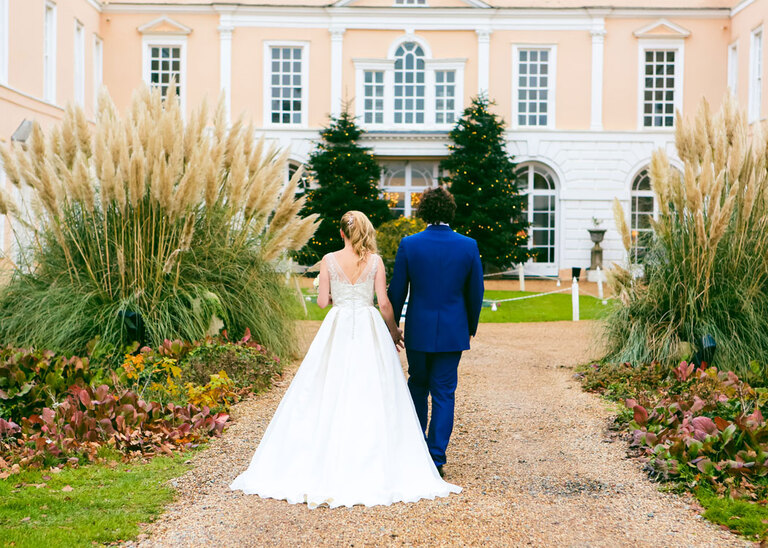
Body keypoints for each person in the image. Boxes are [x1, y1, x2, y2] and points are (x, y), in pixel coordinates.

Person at [229, 210, 461, 508]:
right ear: (366, 230)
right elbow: (384, 302)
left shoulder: (328, 260)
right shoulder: (375, 261)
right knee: (374, 385)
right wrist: (393, 330)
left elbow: (322, 302)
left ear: (341, 233)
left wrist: (330, 292)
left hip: (338, 324)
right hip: (368, 322)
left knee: (328, 382)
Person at [387, 187, 484, 477]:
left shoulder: (410, 244)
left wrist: (392, 327)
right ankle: (436, 458)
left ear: (424, 212)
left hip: (419, 329)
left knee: (418, 385)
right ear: (451, 211)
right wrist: (470, 327)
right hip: (453, 331)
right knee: (444, 392)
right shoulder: (468, 245)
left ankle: (417, 451)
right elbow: (476, 292)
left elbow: (397, 291)